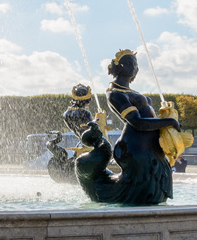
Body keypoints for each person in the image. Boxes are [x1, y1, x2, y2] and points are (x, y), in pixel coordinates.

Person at [76, 49, 181, 205]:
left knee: (152, 190)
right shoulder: (115, 94)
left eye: (135, 64)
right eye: (129, 63)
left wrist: (166, 118)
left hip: (149, 149)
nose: (134, 67)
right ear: (119, 67)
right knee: (141, 190)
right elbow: (137, 122)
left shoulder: (128, 91)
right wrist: (170, 122)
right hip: (136, 148)